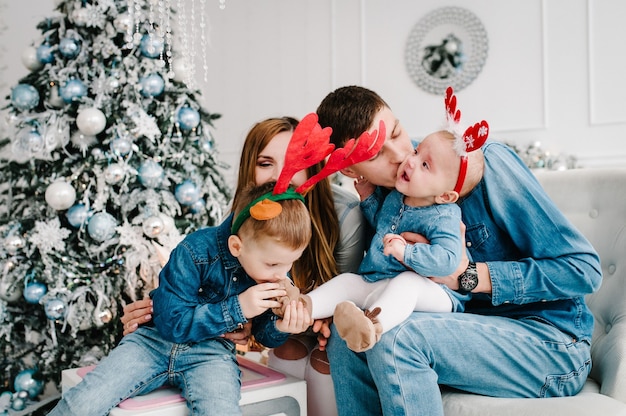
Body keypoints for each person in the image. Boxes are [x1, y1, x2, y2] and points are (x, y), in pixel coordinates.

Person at [314, 85, 602, 415]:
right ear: (351, 171)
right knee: (344, 339)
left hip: (550, 342)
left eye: (396, 132)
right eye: (376, 154)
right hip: (462, 334)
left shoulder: (473, 161)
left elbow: (584, 270)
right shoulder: (386, 195)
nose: (401, 153)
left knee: (397, 338)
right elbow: (377, 282)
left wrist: (467, 276)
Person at [120, 116, 369, 416]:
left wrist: (306, 315)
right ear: (249, 171)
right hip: (276, 338)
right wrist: (156, 312)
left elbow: (343, 296)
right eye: (266, 163)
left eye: (295, 161)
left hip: (324, 334)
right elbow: (209, 289)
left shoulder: (344, 217)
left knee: (324, 357)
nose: (282, 176)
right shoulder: (239, 227)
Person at [49, 181, 314, 415]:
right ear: (237, 246)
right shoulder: (196, 250)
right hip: (152, 343)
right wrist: (239, 307)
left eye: (289, 264)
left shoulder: (271, 269)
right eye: (272, 265)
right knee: (83, 403)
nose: (282, 275)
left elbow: (263, 333)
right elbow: (170, 323)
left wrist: (280, 327)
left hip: (212, 353)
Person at [296, 128, 483, 352]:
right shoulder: (397, 196)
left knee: (407, 282)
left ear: (445, 196)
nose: (411, 161)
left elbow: (449, 260)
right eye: (416, 151)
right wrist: (368, 198)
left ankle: (371, 328)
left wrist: (407, 253)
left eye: (425, 165)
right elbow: (382, 224)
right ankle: (301, 306)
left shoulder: (444, 216)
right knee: (348, 281)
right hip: (382, 278)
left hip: (436, 293)